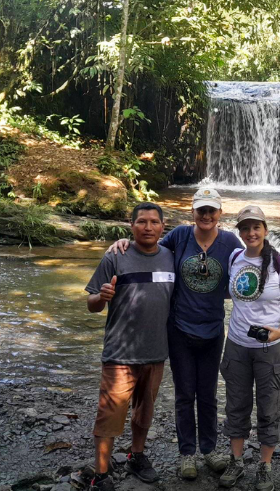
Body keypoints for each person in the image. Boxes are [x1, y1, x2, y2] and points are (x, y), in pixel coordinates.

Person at [108, 188, 280, 480]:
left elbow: (258, 260)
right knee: (185, 395)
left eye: (212, 210)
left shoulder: (231, 244)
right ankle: (187, 454)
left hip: (213, 330)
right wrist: (125, 242)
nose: (206, 215)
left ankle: (208, 451)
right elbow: (149, 248)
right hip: (180, 328)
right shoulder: (179, 237)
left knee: (207, 395)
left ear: (220, 214)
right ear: (192, 212)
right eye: (201, 210)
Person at [85, 202, 175, 491]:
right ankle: (101, 474)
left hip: (156, 352)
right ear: (131, 225)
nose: (148, 227)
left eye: (153, 222)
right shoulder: (115, 256)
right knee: (109, 414)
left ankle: (136, 455)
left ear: (163, 227)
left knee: (144, 411)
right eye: (141, 222)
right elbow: (91, 306)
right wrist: (102, 296)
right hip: (120, 353)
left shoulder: (171, 257)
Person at [219, 205, 280, 491]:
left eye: (256, 227)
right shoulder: (234, 257)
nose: (251, 233)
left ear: (265, 229)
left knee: (269, 407)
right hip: (237, 344)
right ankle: (237, 461)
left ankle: (265, 466)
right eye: (245, 228)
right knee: (236, 405)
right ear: (239, 232)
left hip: (271, 348)